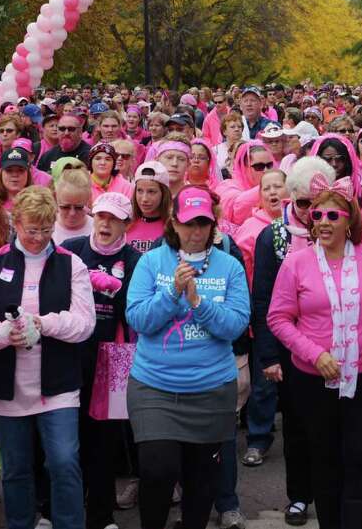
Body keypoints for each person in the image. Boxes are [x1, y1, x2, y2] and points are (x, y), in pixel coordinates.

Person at [267, 176, 362, 529]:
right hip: (313, 378)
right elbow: (279, 318)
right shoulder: (296, 263)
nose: (324, 223)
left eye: (333, 216)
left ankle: (357, 521)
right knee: (325, 457)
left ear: (349, 220)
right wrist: (315, 353)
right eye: (317, 216)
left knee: (359, 456)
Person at [125, 186, 250, 529]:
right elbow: (138, 320)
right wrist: (172, 293)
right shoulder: (151, 261)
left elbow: (236, 325)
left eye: (203, 224)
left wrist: (198, 303)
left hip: (211, 389)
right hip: (155, 387)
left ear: (213, 225)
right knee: (158, 469)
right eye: (189, 223)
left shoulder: (229, 266)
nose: (196, 232)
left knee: (202, 479)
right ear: (174, 224)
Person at [0, 186, 95, 529]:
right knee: (15, 468)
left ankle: (70, 524)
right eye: (30, 229)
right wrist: (4, 334)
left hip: (57, 385)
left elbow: (85, 324)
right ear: (16, 224)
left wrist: (44, 324)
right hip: (5, 387)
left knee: (64, 462)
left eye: (45, 229)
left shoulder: (73, 264)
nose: (38, 238)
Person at [248, 157, 332, 525]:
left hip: (334, 344)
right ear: (291, 199)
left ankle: (335, 495)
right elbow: (262, 299)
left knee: (333, 427)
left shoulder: (339, 228)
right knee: (297, 426)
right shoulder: (274, 236)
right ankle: (299, 496)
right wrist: (268, 355)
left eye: (319, 203)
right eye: (302, 204)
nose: (311, 212)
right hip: (288, 346)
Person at [61, 192, 141, 529]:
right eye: (102, 216)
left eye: (115, 218)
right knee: (67, 438)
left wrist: (115, 290)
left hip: (114, 356)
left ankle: (101, 514)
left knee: (104, 441)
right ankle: (63, 509)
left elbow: (136, 311)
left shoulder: (134, 259)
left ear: (126, 224)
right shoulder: (75, 249)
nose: (106, 223)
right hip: (71, 354)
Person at [127, 161, 173, 254]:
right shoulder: (125, 224)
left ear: (164, 194)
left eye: (151, 192)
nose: (144, 199)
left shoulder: (173, 226)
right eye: (140, 191)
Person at [52, 167, 93, 244]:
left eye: (79, 207)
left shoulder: (97, 230)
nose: (72, 213)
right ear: (55, 198)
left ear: (88, 200)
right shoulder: (46, 230)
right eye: (65, 207)